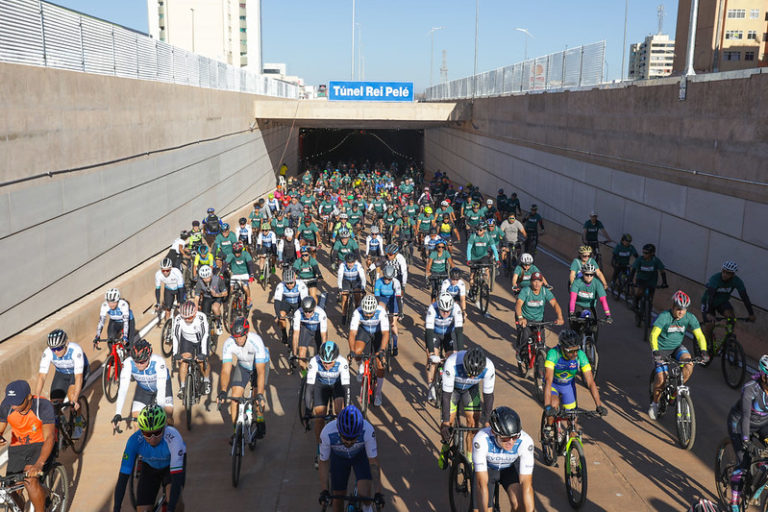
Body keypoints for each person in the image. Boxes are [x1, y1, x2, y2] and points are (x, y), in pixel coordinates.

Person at [112, 405, 186, 512]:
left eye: (157, 432)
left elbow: (178, 478)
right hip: (149, 468)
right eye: (147, 433)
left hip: (170, 468)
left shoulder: (174, 439)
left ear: (163, 428)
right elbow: (123, 479)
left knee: (175, 503)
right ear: (141, 431)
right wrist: (116, 508)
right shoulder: (134, 441)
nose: (152, 438)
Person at [648, 291, 708, 420]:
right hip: (661, 349)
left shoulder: (690, 317)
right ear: (673, 307)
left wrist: (704, 351)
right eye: (678, 309)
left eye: (684, 309)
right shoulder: (664, 316)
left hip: (677, 348)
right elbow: (653, 335)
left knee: (689, 364)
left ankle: (675, 391)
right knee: (661, 379)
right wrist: (656, 352)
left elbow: (699, 335)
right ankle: (655, 403)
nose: (681, 312)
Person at [0, 380, 56, 512]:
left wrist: (39, 463)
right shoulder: (7, 406)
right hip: (18, 447)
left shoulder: (42, 406)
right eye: (11, 401)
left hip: (41, 444)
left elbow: (50, 437)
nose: (14, 406)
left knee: (30, 480)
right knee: (10, 489)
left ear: (29, 397)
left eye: (18, 402)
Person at [317, 405, 383, 512]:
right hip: (339, 459)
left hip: (359, 456)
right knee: (338, 499)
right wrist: (324, 490)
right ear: (338, 430)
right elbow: (323, 461)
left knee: (365, 494)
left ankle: (367, 508)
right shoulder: (327, 432)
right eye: (345, 438)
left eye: (353, 439)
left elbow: (373, 462)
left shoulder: (368, 429)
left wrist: (378, 492)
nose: (349, 442)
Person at [473, 407, 535, 512]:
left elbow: (526, 485)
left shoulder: (525, 441)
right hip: (488, 469)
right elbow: (481, 484)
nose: (511, 442)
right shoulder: (481, 439)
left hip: (509, 468)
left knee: (519, 505)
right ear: (493, 432)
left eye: (515, 437)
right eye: (505, 438)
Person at [543, 330, 607, 431]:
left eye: (576, 350)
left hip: (567, 386)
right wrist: (547, 407)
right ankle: (548, 427)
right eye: (571, 351)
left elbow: (590, 382)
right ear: (563, 348)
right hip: (553, 385)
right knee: (554, 403)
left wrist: (598, 405)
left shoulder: (580, 355)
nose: (574, 354)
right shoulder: (553, 353)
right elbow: (548, 381)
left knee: (573, 418)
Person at [726, 356, 768, 511]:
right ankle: (734, 503)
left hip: (762, 424)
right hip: (740, 425)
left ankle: (756, 487)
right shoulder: (751, 388)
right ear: (763, 375)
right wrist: (746, 442)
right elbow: (745, 416)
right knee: (743, 462)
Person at [218, 317, 269, 442]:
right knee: (235, 397)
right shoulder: (229, 343)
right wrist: (223, 391)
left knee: (257, 395)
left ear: (246, 333)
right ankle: (236, 432)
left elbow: (261, 372)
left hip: (260, 366)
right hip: (243, 366)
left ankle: (260, 420)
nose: (238, 340)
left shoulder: (256, 341)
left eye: (241, 336)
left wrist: (261, 394)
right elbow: (225, 370)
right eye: (236, 337)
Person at [440, 347, 495, 460]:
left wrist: (487, 421)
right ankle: (445, 446)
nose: (472, 377)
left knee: (474, 425)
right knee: (448, 422)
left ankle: (470, 461)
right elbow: (446, 395)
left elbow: (488, 396)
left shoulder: (489, 367)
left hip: (471, 389)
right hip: (453, 389)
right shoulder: (452, 363)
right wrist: (445, 422)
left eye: (476, 374)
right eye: (469, 372)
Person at [305, 341, 351, 467]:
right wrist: (308, 410)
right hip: (321, 385)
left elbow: (346, 388)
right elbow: (309, 388)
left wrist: (346, 410)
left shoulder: (342, 362)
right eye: (324, 362)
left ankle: (342, 442)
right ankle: (320, 449)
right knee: (319, 417)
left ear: (336, 359)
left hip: (337, 385)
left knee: (340, 412)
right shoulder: (314, 361)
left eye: (330, 362)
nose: (326, 365)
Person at [113, 339, 174, 426]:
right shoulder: (128, 363)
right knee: (136, 421)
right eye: (136, 362)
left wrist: (160, 410)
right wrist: (118, 413)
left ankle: (170, 436)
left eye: (142, 362)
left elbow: (161, 388)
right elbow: (123, 389)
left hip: (162, 388)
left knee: (167, 417)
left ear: (149, 357)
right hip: (143, 390)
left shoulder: (158, 362)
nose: (139, 365)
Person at [35, 330, 89, 418]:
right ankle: (62, 423)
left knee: (72, 397)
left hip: (77, 373)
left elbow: (78, 377)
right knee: (54, 404)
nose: (56, 352)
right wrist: (36, 398)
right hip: (61, 373)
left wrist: (75, 399)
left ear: (66, 343)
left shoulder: (75, 350)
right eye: (53, 349)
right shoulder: (48, 353)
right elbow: (42, 377)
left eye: (59, 348)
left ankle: (78, 423)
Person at [701, 260, 756, 346]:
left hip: (722, 302)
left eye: (728, 273)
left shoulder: (737, 281)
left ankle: (728, 338)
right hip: (708, 302)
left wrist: (751, 314)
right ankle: (704, 346)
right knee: (710, 324)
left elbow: (745, 297)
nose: (725, 274)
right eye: (724, 271)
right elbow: (710, 297)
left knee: (731, 317)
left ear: (733, 275)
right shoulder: (715, 279)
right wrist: (709, 313)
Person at [348, 295, 390, 407]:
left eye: (370, 314)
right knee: (357, 351)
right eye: (366, 313)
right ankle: (360, 366)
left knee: (380, 365)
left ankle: (378, 393)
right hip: (365, 332)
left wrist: (381, 350)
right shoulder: (357, 312)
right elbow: (352, 333)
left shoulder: (381, 312)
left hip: (378, 333)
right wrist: (352, 351)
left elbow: (386, 333)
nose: (368, 316)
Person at [515, 272, 564, 363]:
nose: (537, 284)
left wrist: (560, 317)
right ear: (531, 282)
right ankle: (519, 351)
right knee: (525, 338)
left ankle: (539, 364)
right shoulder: (526, 291)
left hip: (539, 321)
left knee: (542, 344)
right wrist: (521, 318)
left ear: (542, 282)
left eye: (539, 281)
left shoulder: (545, 291)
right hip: (526, 320)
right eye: (534, 281)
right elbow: (518, 304)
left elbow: (555, 304)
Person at [425, 293, 465, 401]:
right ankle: (430, 387)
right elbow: (428, 332)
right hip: (434, 334)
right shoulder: (432, 309)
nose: (445, 313)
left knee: (453, 357)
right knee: (432, 361)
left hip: (449, 334)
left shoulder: (456, 308)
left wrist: (460, 352)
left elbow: (459, 332)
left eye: (448, 311)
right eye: (443, 311)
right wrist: (432, 354)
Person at [172, 301, 211, 398]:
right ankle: (183, 387)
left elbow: (205, 335)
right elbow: (176, 336)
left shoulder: (201, 317)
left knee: (203, 361)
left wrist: (203, 353)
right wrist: (175, 353)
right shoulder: (178, 319)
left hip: (200, 339)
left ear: (195, 313)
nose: (187, 320)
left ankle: (206, 380)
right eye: (185, 318)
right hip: (187, 340)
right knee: (184, 362)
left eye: (190, 317)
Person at [568, 263, 612, 328]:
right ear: (582, 273)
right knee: (576, 326)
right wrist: (571, 313)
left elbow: (603, 300)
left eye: (591, 274)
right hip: (578, 305)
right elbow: (573, 298)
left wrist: (608, 315)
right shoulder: (577, 282)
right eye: (587, 274)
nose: (589, 277)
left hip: (590, 306)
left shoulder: (597, 283)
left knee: (594, 327)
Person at [292, 296, 329, 372]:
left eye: (310, 311)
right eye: (305, 311)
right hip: (306, 330)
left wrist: (323, 351)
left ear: (314, 308)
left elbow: (324, 336)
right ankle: (305, 376)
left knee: (321, 357)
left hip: (319, 331)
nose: (307, 313)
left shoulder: (321, 313)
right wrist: (295, 353)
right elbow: (295, 335)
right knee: (301, 357)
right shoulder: (298, 313)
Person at [274, 269, 309, 345]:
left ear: (295, 279)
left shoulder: (301, 285)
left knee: (300, 320)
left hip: (298, 303)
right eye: (287, 283)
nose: (289, 285)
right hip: (287, 303)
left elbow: (304, 301)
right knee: (281, 315)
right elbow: (277, 301)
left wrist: (303, 314)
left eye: (291, 283)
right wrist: (278, 315)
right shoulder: (281, 286)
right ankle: (284, 334)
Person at [374, 265, 403, 357]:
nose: (387, 280)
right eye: (386, 278)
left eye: (389, 279)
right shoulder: (378, 282)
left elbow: (398, 299)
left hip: (393, 299)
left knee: (393, 323)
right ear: (383, 275)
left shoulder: (396, 282)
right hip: (382, 299)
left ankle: (395, 345)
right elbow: (377, 298)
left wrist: (400, 312)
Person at [630, 243, 668, 313]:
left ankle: (648, 311)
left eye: (646, 253)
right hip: (641, 279)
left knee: (650, 296)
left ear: (652, 253)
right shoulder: (640, 259)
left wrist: (664, 282)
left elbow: (662, 271)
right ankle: (635, 301)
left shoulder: (655, 260)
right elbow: (633, 270)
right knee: (640, 291)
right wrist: (631, 280)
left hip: (652, 280)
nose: (644, 254)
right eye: (643, 252)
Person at [466, 224, 499, 293]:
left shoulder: (488, 237)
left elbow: (494, 249)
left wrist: (497, 260)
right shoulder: (473, 237)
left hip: (483, 257)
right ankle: (471, 290)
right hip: (473, 257)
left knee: (486, 268)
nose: (478, 231)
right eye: (477, 230)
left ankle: (485, 284)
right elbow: (469, 248)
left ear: (484, 230)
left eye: (480, 230)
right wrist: (469, 259)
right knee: (472, 275)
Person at [193, 265, 227, 330]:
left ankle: (218, 322)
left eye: (208, 277)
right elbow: (196, 298)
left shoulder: (218, 279)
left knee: (215, 308)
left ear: (211, 275)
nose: (206, 280)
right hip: (207, 297)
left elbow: (225, 293)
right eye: (204, 278)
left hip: (217, 296)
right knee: (204, 315)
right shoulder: (199, 283)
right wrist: (195, 310)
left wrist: (216, 294)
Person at [337, 253, 367, 324]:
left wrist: (363, 288)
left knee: (357, 296)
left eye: (352, 262)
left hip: (356, 281)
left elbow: (363, 278)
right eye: (348, 262)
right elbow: (340, 277)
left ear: (355, 261)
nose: (350, 264)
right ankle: (344, 314)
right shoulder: (342, 265)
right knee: (344, 298)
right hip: (346, 281)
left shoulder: (358, 265)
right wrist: (340, 288)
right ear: (346, 262)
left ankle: (357, 311)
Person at [224, 242, 254, 310]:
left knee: (245, 287)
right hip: (235, 274)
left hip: (244, 273)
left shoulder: (246, 254)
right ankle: (232, 302)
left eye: (238, 252)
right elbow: (225, 264)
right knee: (231, 289)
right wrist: (221, 273)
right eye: (235, 252)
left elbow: (250, 264)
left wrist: (251, 274)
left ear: (241, 250)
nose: (237, 254)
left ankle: (249, 299)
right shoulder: (231, 255)